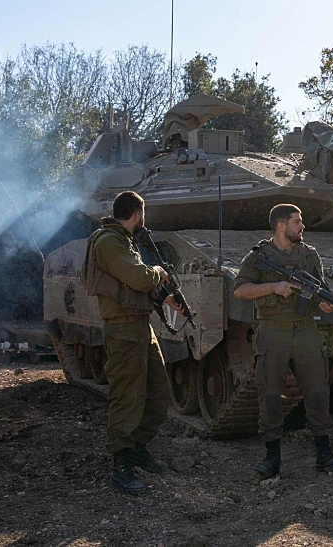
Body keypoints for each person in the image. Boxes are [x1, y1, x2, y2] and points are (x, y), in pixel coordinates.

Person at [81, 190, 189, 495]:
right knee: (127, 396)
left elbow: (131, 285)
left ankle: (138, 447)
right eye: (144, 214)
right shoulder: (108, 241)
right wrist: (158, 272)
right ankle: (122, 464)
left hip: (140, 326)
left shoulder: (125, 242)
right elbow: (139, 277)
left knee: (158, 393)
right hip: (123, 329)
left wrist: (165, 296)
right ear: (137, 214)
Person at [234, 203, 333, 479]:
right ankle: (272, 457)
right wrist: (274, 286)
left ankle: (324, 452)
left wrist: (326, 305)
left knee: (318, 391)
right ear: (281, 226)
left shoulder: (309, 255)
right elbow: (240, 290)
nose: (302, 226)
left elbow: (321, 290)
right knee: (270, 393)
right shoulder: (259, 256)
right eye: (297, 222)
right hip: (273, 331)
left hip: (306, 331)